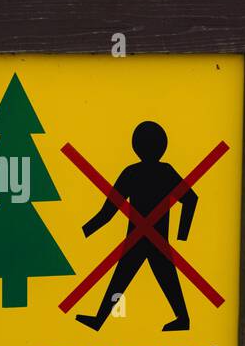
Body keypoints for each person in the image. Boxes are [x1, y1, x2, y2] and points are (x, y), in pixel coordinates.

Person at [75, 121, 197, 332]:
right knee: (148, 279)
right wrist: (181, 233)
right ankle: (100, 319)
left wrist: (84, 232)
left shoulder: (132, 173)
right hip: (152, 238)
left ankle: (100, 319)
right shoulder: (163, 172)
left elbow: (107, 213)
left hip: (142, 240)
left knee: (131, 279)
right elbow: (191, 200)